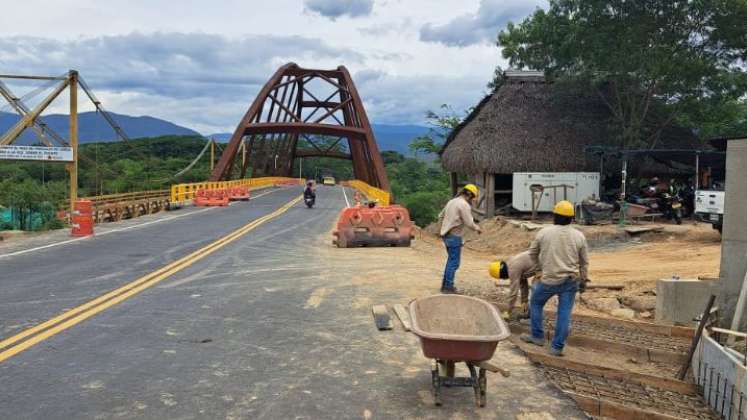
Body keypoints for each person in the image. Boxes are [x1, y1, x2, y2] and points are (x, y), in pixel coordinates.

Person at [521, 200, 589, 356]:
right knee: (564, 313)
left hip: (548, 280)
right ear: (571, 218)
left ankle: (537, 336)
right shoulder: (579, 236)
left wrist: (539, 269)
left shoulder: (544, 233)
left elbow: (532, 253)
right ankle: (557, 347)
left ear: (555, 216)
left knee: (536, 303)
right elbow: (584, 262)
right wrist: (584, 280)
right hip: (570, 281)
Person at [438, 184, 482, 293]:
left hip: (446, 234)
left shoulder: (452, 201)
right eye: (473, 198)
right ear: (470, 195)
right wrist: (477, 228)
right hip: (454, 236)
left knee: (450, 261)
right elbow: (469, 222)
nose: (472, 200)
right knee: (454, 263)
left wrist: (446, 225)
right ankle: (448, 287)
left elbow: (440, 216)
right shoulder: (464, 204)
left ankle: (445, 285)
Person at [489, 251, 537, 320]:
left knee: (536, 288)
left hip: (547, 263)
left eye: (502, 278)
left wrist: (508, 312)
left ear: (502, 274)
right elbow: (523, 284)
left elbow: (513, 293)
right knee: (535, 286)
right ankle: (529, 313)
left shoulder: (512, 270)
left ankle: (533, 317)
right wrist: (524, 302)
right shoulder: (511, 263)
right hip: (543, 262)